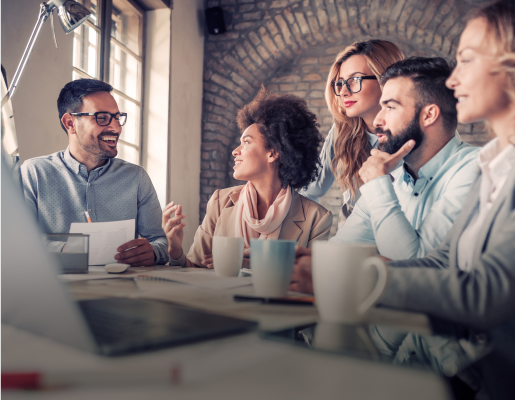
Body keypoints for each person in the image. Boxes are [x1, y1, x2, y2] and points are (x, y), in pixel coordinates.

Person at [295, 1, 515, 397]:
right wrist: (321, 266)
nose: (453, 80)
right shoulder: (493, 164)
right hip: (426, 362)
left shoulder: (473, 170)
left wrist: (361, 277)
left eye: (466, 60)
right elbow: (440, 262)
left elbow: (484, 292)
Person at [330, 57, 480, 260]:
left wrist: (377, 184)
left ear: (429, 115)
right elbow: (338, 252)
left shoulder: (477, 171)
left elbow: (415, 268)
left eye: (390, 107)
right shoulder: (392, 177)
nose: (377, 121)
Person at [163, 88, 332, 269]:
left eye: (246, 142)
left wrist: (256, 266)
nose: (236, 151)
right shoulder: (220, 202)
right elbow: (194, 268)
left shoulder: (317, 218)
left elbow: (312, 282)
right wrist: (175, 249)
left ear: (273, 153)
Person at [21, 79, 169, 266]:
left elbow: (160, 241)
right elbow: (17, 242)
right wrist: (68, 251)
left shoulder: (136, 178)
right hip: (53, 292)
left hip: (123, 290)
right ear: (70, 123)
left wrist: (153, 253)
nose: (116, 127)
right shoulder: (34, 173)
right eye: (102, 117)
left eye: (117, 117)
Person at [301, 40, 404, 226]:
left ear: (386, 79)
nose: (343, 92)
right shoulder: (342, 132)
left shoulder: (416, 130)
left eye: (355, 80)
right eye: (340, 83)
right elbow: (312, 189)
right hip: (350, 243)